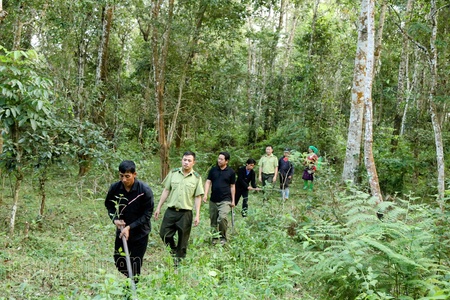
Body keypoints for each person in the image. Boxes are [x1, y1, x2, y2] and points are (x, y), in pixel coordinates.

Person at [105, 160, 154, 281]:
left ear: (134, 174)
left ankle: (131, 290)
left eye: (127, 176)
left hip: (140, 233)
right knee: (119, 260)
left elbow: (147, 214)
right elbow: (109, 205)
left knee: (135, 263)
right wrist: (115, 219)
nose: (124, 180)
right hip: (122, 231)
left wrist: (130, 227)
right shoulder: (115, 188)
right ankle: (128, 278)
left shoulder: (144, 191)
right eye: (121, 176)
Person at [153, 151, 204, 265]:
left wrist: (197, 214)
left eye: (189, 160)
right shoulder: (173, 173)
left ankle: (178, 263)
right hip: (171, 211)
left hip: (185, 213)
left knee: (183, 240)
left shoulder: (196, 178)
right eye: (184, 160)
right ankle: (173, 251)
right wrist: (158, 207)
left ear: (193, 163)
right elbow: (166, 190)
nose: (186, 162)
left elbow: (197, 197)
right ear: (182, 160)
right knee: (164, 233)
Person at [203, 151, 236, 245]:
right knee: (213, 220)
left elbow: (232, 186)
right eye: (219, 158)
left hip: (225, 200)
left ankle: (223, 237)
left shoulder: (231, 172)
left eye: (221, 159)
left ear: (227, 161)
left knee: (222, 218)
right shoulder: (213, 170)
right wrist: (205, 194)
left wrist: (233, 200)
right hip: (213, 199)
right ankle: (214, 238)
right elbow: (208, 182)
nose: (219, 161)